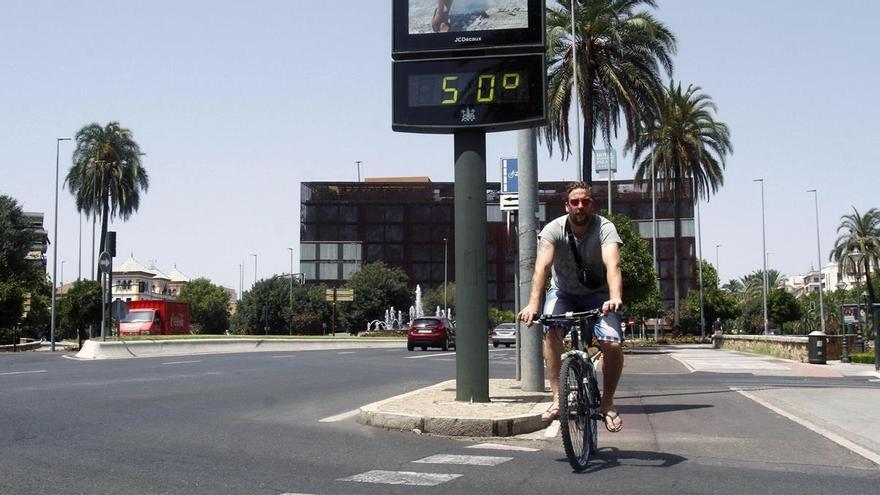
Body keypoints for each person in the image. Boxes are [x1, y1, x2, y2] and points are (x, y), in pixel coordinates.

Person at [517, 181, 625, 432]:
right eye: (574, 202)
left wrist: (615, 296)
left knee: (612, 343)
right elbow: (542, 267)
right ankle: (557, 398)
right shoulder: (553, 229)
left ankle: (607, 404)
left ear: (591, 204)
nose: (579, 207)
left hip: (599, 295)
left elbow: (613, 265)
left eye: (585, 202)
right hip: (563, 293)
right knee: (551, 330)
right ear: (566, 206)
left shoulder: (604, 227)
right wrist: (534, 303)